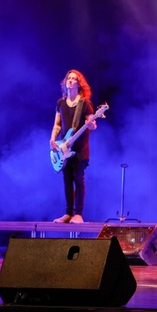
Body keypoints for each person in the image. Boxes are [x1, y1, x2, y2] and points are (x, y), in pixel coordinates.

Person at [49, 70, 97, 224]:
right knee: (67, 180)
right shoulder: (61, 103)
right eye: (68, 78)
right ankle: (68, 213)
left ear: (79, 84)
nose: (70, 80)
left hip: (80, 150)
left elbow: (92, 122)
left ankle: (78, 214)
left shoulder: (85, 104)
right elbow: (57, 124)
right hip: (64, 148)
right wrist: (52, 139)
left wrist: (92, 124)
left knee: (78, 179)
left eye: (73, 79)